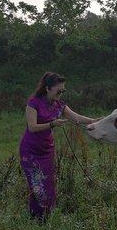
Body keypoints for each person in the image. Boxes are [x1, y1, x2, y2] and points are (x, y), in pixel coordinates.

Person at [19, 71, 98, 221]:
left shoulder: (59, 105)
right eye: (58, 91)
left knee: (48, 183)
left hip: (47, 150)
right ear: (48, 88)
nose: (61, 94)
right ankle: (36, 218)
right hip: (30, 150)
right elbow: (32, 127)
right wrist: (52, 124)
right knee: (36, 185)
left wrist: (96, 121)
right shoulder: (34, 102)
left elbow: (77, 117)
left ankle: (47, 217)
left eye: (63, 91)